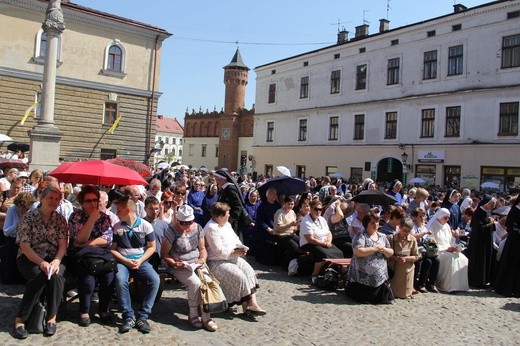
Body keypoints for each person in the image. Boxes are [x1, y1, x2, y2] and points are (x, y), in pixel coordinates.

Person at [13, 186, 68, 339]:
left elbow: (63, 245)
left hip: (54, 257)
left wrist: (56, 261)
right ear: (41, 198)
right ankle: (21, 318)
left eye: (57, 199)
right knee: (39, 276)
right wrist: (41, 262)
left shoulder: (60, 220)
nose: (54, 202)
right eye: (50, 198)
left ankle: (52, 317)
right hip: (30, 257)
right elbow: (24, 246)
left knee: (57, 276)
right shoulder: (29, 218)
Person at [161, 205, 217, 332]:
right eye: (182, 223)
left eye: (189, 222)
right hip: (178, 262)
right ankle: (192, 314)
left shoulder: (197, 228)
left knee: (207, 282)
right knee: (195, 283)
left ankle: (206, 316)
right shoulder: (171, 230)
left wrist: (202, 259)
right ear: (178, 221)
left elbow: (202, 249)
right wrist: (175, 263)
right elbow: (165, 254)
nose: (186, 226)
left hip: (196, 261)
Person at [204, 202, 266, 316]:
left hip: (233, 257)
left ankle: (253, 303)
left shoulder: (227, 225)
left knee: (249, 271)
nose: (229, 215)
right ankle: (247, 304)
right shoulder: (211, 228)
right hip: (217, 261)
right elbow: (219, 252)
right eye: (227, 213)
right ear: (220, 216)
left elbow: (235, 238)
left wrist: (241, 247)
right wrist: (235, 252)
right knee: (239, 276)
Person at [110, 196, 160, 334]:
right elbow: (113, 249)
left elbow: (151, 247)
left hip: (140, 260)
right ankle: (128, 316)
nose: (117, 213)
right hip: (123, 261)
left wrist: (141, 260)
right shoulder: (118, 227)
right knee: (120, 280)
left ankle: (143, 316)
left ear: (127, 210)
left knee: (155, 280)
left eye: (119, 211)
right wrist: (125, 261)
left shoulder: (145, 225)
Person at [68, 185, 115, 327]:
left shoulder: (105, 217)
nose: (93, 203)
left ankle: (103, 310)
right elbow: (78, 239)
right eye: (88, 201)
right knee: (87, 278)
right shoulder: (75, 216)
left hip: (100, 255)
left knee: (109, 276)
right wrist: (91, 220)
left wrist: (85, 244)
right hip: (81, 257)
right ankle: (84, 310)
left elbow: (107, 239)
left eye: (95, 200)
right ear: (82, 203)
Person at [345, 212, 395, 304]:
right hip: (363, 268)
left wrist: (383, 250)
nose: (375, 224)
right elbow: (357, 251)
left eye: (377, 222)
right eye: (372, 223)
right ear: (366, 224)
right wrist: (374, 249)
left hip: (379, 269)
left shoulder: (382, 236)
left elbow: (391, 252)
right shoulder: (361, 235)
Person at [299, 200, 343, 281]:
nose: (319, 211)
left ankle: (340, 273)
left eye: (321, 209)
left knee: (339, 252)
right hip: (308, 243)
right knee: (322, 253)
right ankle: (315, 274)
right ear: (311, 209)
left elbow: (329, 232)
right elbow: (310, 239)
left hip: (324, 242)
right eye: (317, 209)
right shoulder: (306, 221)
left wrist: (329, 242)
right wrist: (325, 244)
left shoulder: (322, 219)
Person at [426, 208, 469, 293]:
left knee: (463, 258)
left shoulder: (447, 226)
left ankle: (460, 286)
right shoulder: (433, 226)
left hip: (448, 249)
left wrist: (454, 247)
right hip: (438, 251)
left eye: (448, 218)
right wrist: (446, 249)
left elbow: (451, 241)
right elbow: (431, 242)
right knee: (451, 259)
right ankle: (449, 286)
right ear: (440, 216)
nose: (447, 220)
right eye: (445, 218)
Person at [1, 192, 36, 284]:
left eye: (25, 208)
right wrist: (17, 224)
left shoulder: (34, 210)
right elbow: (6, 231)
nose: (21, 210)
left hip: (28, 241)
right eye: (19, 206)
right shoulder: (12, 210)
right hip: (13, 240)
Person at [493, 195, 520, 297]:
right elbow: (511, 228)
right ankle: (506, 288)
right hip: (514, 244)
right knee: (511, 266)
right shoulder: (514, 211)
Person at [467, 195, 496, 288]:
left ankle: (484, 280)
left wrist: (492, 223)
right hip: (479, 242)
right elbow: (477, 228)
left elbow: (491, 227)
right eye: (492, 204)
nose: (493, 206)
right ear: (486, 203)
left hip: (487, 240)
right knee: (480, 261)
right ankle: (477, 281)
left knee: (486, 259)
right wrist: (489, 224)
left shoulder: (488, 212)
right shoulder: (478, 213)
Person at [388, 218, 420, 299]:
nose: (406, 233)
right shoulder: (391, 238)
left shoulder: (412, 240)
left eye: (408, 231)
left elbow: (416, 256)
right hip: (395, 269)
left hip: (407, 270)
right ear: (399, 227)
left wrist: (407, 258)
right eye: (404, 230)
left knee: (404, 294)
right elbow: (386, 254)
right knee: (394, 292)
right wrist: (395, 258)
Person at [214, 169, 253, 235]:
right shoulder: (225, 188)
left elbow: (238, 205)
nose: (217, 182)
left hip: (233, 221)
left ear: (223, 179)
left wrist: (231, 219)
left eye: (218, 180)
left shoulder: (229, 188)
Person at [410, 208, 439, 293]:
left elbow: (427, 238)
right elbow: (412, 237)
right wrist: (424, 233)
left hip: (425, 250)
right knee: (427, 262)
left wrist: (431, 240)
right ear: (415, 217)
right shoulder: (413, 227)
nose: (422, 218)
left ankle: (432, 283)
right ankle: (420, 284)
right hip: (416, 250)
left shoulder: (425, 227)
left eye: (424, 215)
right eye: (420, 216)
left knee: (436, 261)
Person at [143, 196, 170, 271]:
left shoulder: (164, 225)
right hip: (144, 259)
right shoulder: (140, 224)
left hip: (160, 259)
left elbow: (167, 243)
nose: (154, 212)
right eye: (151, 209)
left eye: (156, 209)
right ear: (145, 209)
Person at [272, 196, 300, 262]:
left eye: (292, 204)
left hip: (291, 233)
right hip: (280, 234)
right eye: (288, 204)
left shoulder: (292, 212)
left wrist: (297, 227)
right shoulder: (280, 212)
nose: (290, 206)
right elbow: (278, 228)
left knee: (301, 242)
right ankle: (287, 263)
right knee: (294, 246)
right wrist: (290, 224)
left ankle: (295, 261)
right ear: (285, 203)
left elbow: (294, 226)